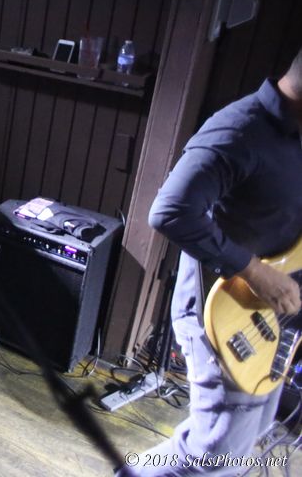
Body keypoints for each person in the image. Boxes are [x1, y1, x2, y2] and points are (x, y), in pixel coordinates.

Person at [118, 47, 302, 475]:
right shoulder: (240, 129)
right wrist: (255, 272)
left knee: (239, 438)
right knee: (215, 453)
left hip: (273, 315)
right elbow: (170, 210)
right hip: (226, 311)